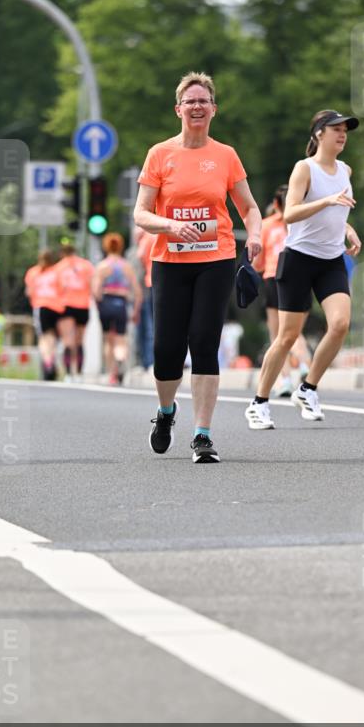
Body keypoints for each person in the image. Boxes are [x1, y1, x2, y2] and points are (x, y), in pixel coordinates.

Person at [134, 70, 262, 463]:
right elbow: (141, 213)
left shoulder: (225, 155)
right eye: (190, 101)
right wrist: (171, 224)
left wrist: (254, 234)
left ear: (213, 109)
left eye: (203, 101)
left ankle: (202, 434)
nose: (196, 107)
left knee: (204, 341)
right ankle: (166, 412)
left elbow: (250, 208)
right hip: (170, 261)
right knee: (167, 349)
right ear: (178, 109)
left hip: (215, 258)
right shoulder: (160, 154)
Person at [245, 110, 362, 430]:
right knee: (287, 336)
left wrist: (347, 229)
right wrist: (327, 202)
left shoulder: (345, 170)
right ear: (319, 134)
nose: (342, 135)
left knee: (340, 324)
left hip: (331, 260)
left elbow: (338, 211)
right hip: (298, 259)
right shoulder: (304, 168)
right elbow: (290, 214)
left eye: (345, 131)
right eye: (336, 129)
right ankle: (258, 403)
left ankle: (308, 389)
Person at [254, 185, 311, 397]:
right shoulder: (306, 221)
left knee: (278, 334)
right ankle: (305, 364)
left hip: (273, 277)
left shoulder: (267, 225)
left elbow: (257, 259)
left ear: (276, 205)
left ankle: (285, 379)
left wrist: (254, 270)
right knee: (295, 332)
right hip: (303, 276)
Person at [93, 232, 142, 385]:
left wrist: (99, 304)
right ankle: (120, 360)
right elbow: (137, 291)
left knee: (108, 340)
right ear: (121, 247)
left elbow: (95, 290)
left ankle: (111, 373)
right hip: (121, 303)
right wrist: (135, 310)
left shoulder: (102, 266)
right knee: (121, 339)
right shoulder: (126, 266)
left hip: (106, 302)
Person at [54, 240, 94, 380]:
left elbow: (56, 288)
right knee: (79, 340)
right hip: (83, 305)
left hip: (66, 305)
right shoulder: (86, 265)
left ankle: (68, 374)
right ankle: (79, 372)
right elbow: (91, 284)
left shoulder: (58, 267)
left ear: (62, 253)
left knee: (68, 341)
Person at [24, 248, 64, 381]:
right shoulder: (57, 272)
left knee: (43, 338)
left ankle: (47, 362)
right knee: (52, 336)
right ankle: (52, 358)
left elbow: (29, 292)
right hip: (56, 307)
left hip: (41, 306)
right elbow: (63, 289)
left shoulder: (33, 272)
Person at [135, 227, 157, 371]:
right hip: (170, 281)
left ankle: (150, 361)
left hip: (151, 282)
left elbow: (140, 255)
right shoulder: (162, 233)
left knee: (151, 326)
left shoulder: (147, 237)